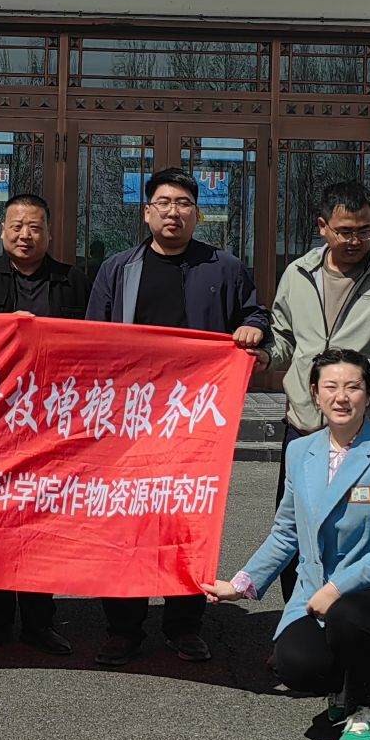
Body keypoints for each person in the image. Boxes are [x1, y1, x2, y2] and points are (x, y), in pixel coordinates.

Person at [202, 349, 370, 740]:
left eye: (353, 387)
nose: (341, 397)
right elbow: (286, 532)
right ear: (315, 393)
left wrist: (336, 588)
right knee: (296, 666)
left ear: (368, 394)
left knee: (349, 616)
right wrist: (241, 584)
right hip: (317, 594)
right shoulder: (300, 452)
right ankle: (343, 684)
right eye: (331, 387)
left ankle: (367, 709)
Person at [85, 166, 268, 666]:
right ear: (146, 212)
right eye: (163, 203)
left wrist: (253, 329)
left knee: (187, 523)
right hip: (129, 422)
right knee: (125, 525)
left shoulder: (223, 268)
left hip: (194, 424)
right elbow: (93, 337)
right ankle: (123, 627)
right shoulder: (119, 269)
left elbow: (254, 313)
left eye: (184, 203)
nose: (173, 212)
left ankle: (185, 624)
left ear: (197, 213)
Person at [0, 191, 94, 655]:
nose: (25, 235)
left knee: (41, 521)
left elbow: (97, 342)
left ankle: (39, 621)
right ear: (2, 231)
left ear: (49, 233)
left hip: (52, 422)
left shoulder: (73, 281)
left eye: (34, 227)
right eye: (16, 226)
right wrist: (4, 328)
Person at [264, 179, 370, 595]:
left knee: (358, 537)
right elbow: (284, 342)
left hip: (368, 431)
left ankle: (353, 620)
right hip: (304, 429)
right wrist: (261, 354)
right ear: (323, 227)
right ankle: (299, 615)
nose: (355, 241)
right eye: (345, 231)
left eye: (365, 231)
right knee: (296, 531)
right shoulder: (298, 274)